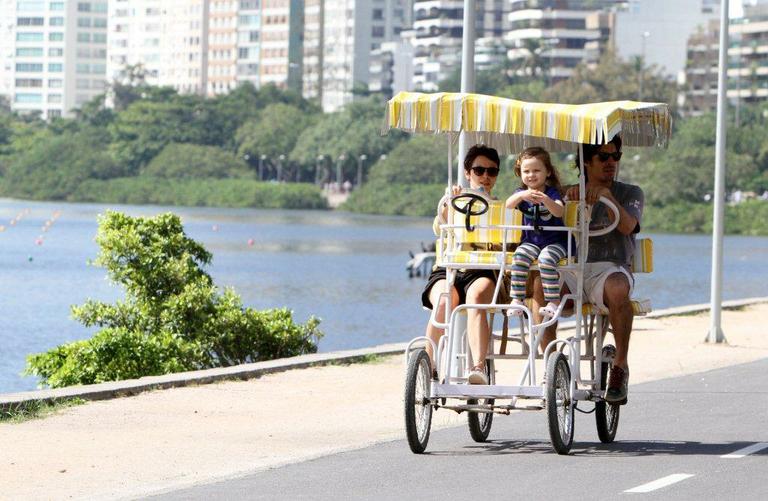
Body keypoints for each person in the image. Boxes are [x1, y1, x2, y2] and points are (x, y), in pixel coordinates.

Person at [534, 134, 643, 405]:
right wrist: (564, 203)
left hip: (609, 268)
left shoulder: (630, 193)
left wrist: (608, 199)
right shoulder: (564, 193)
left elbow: (629, 226)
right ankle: (551, 365)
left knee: (619, 288)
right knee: (537, 283)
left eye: (615, 156)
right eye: (603, 157)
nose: (611, 163)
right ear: (586, 162)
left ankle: (620, 365)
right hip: (571, 268)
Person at [421, 144, 501, 385]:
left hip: (482, 270)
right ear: (468, 173)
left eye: (491, 171)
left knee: (477, 297)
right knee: (446, 299)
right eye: (479, 170)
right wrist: (450, 201)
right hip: (449, 269)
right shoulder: (454, 200)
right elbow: (440, 224)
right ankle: (428, 361)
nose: (485, 177)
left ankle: (478, 367)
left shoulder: (500, 207)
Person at [504, 147, 568, 320]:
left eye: (536, 170)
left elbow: (559, 212)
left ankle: (553, 302)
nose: (531, 175)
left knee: (546, 259)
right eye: (526, 171)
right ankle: (517, 299)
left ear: (547, 172)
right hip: (531, 241)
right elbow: (508, 205)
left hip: (555, 242)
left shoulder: (551, 193)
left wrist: (546, 200)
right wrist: (522, 195)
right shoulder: (521, 193)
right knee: (519, 256)